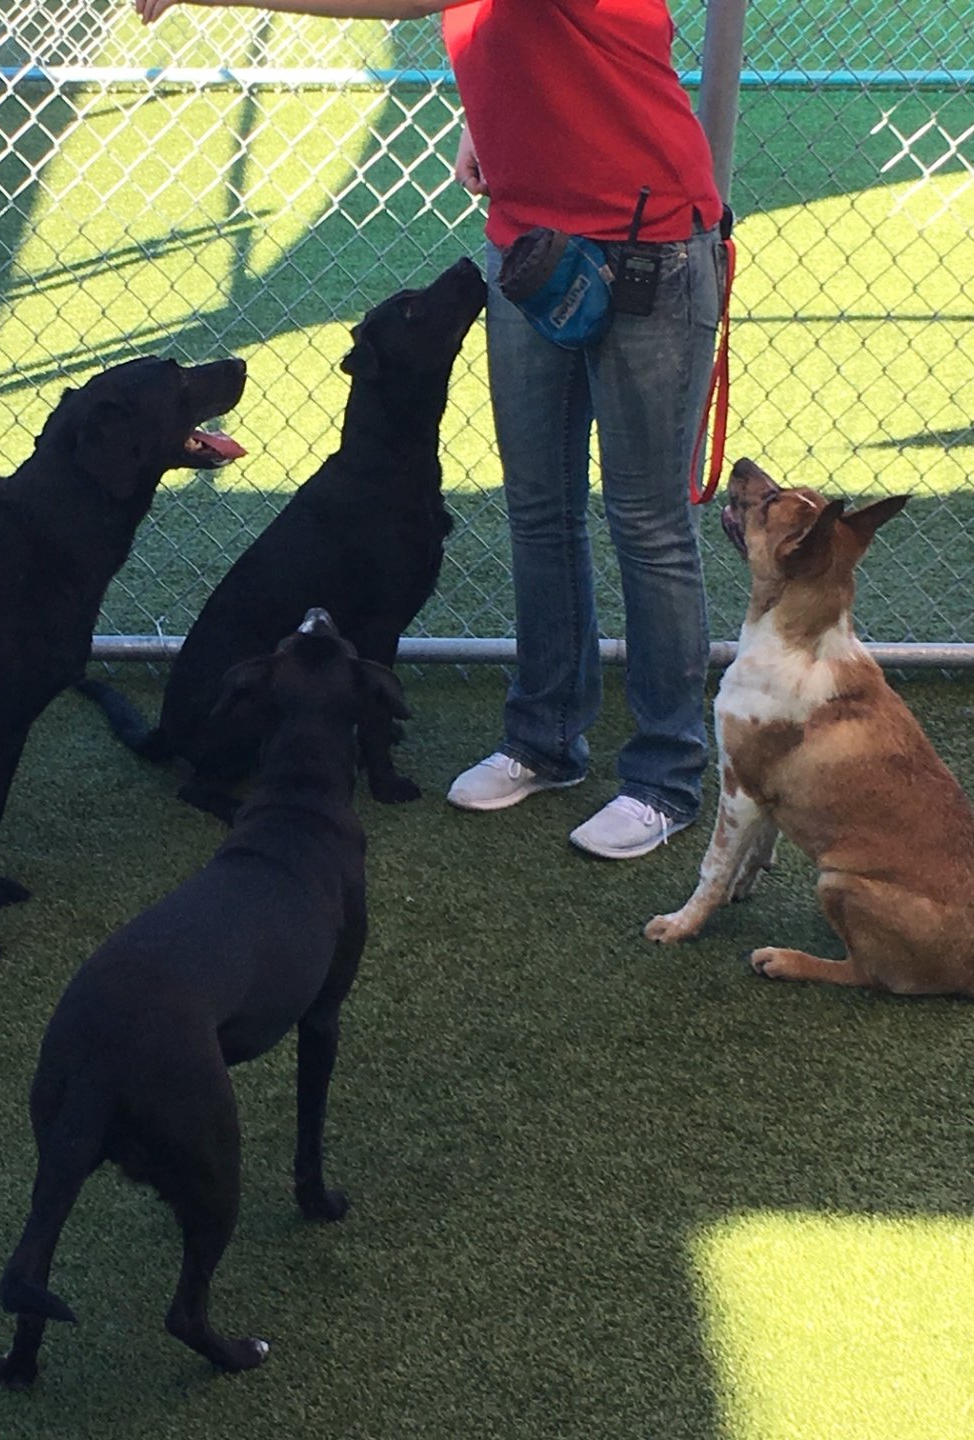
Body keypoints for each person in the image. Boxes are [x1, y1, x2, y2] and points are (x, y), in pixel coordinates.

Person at [135, 0, 727, 860]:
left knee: (646, 523)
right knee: (540, 509)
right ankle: (545, 739)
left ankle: (663, 777)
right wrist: (486, 125)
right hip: (531, 242)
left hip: (647, 245)